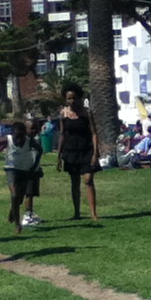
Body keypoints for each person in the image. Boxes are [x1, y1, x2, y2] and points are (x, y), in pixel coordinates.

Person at [0, 120, 43, 234]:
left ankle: (13, 209)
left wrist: (34, 166)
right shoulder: (8, 139)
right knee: (15, 195)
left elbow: (40, 150)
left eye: (21, 136)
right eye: (17, 136)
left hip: (25, 171)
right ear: (12, 134)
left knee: (19, 198)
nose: (19, 140)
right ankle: (17, 224)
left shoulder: (29, 141)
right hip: (11, 169)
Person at [56, 82, 99, 220]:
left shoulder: (86, 113)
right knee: (74, 182)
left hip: (86, 149)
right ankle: (77, 213)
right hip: (71, 151)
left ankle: (93, 213)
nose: (72, 101)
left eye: (74, 98)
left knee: (88, 179)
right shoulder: (63, 114)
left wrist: (95, 153)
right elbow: (62, 134)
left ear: (79, 97)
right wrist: (59, 155)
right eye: (69, 98)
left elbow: (94, 133)